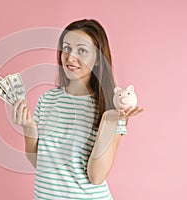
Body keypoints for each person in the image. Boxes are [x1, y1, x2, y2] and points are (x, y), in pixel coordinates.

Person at [12, 19, 143, 200]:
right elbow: (40, 163)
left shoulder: (111, 109)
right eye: (66, 48)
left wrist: (108, 121)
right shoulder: (47, 99)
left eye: (81, 50)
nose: (70, 57)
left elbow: (96, 177)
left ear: (98, 60)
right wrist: (29, 128)